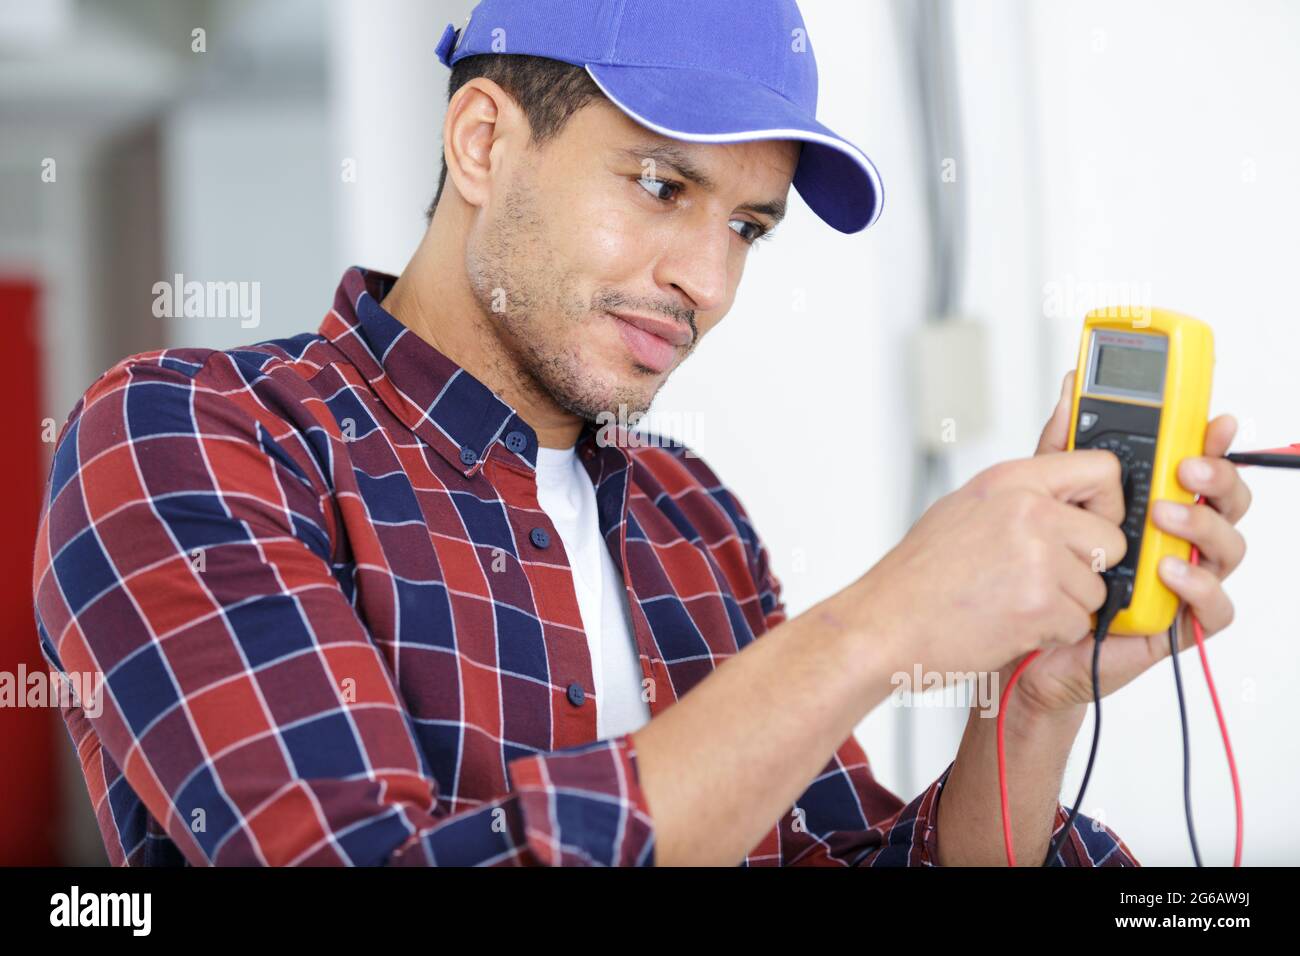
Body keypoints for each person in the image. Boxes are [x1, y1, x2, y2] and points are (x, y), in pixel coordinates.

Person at [31, 0, 1250, 866]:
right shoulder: (190, 435)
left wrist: (1027, 703)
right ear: (484, 142)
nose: (708, 282)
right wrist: (883, 621)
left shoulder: (690, 514)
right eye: (661, 188)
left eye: (749, 228)